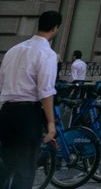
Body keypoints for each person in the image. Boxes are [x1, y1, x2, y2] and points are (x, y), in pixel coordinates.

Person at [0, 10, 61, 189]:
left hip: (7, 111)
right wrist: (51, 122)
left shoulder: (14, 50)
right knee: (24, 167)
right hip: (28, 114)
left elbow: (2, 82)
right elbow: (45, 91)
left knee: (5, 165)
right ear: (55, 28)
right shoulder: (47, 54)